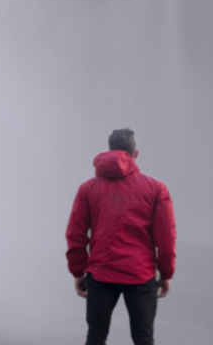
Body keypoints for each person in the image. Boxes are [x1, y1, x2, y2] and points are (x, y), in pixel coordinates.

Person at [65, 127, 175, 345]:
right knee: (143, 337)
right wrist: (166, 273)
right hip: (140, 274)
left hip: (100, 275)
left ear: (110, 151)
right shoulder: (156, 188)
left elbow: (76, 234)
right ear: (135, 154)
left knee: (96, 335)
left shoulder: (87, 189)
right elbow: (166, 238)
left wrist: (78, 271)